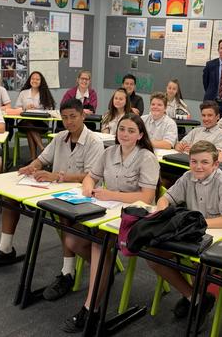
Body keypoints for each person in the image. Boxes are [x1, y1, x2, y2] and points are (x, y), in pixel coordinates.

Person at [0, 99, 104, 301]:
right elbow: (43, 159)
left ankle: (68, 272)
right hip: (56, 189)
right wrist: (32, 166)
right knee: (10, 197)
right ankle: (5, 248)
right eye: (65, 117)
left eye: (73, 116)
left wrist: (57, 176)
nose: (69, 121)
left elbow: (91, 176)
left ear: (83, 116)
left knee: (63, 214)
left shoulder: (94, 142)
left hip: (84, 195)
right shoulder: (60, 137)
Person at [62, 113, 160, 332]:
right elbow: (91, 176)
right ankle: (104, 274)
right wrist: (88, 187)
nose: (125, 134)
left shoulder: (146, 157)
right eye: (122, 129)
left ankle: (91, 308)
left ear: (140, 135)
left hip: (136, 216)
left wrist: (111, 194)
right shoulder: (109, 152)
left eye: (131, 131)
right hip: (109, 210)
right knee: (72, 240)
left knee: (99, 242)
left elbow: (146, 197)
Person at [151, 140, 222, 326]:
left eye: (204, 162)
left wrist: (198, 224)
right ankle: (194, 297)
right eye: (194, 161)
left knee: (198, 263)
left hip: (216, 237)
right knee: (152, 254)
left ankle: (195, 300)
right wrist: (161, 212)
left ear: (216, 164)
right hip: (191, 235)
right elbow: (165, 198)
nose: (198, 167)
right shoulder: (187, 177)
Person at [14, 71, 56, 160]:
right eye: (33, 79)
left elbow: (50, 109)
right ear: (30, 80)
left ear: (41, 81)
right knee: (29, 124)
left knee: (30, 129)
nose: (35, 81)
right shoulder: (23, 93)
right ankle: (43, 149)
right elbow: (16, 108)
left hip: (41, 124)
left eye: (37, 79)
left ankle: (33, 158)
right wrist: (25, 108)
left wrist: (38, 108)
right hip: (24, 123)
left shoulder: (44, 93)